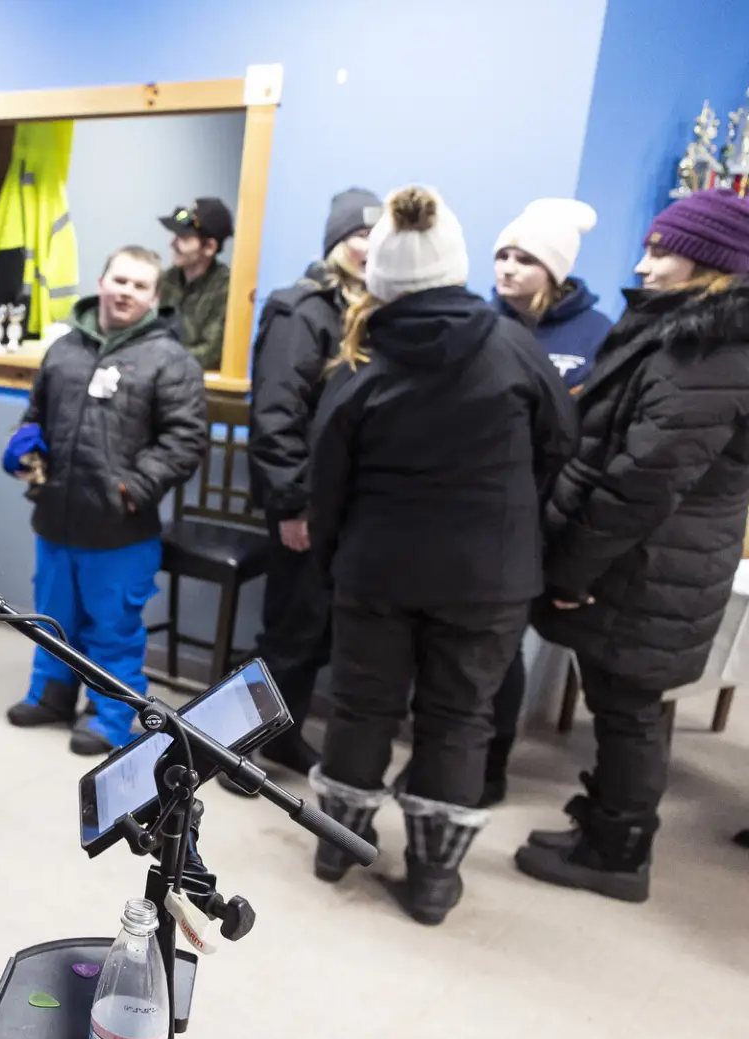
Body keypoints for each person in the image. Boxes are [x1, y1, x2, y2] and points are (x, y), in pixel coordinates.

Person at [306, 186, 576, 925]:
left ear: (383, 277)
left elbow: (325, 480)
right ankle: (430, 880)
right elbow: (562, 441)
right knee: (460, 719)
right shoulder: (513, 345)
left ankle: (338, 848)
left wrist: (334, 559)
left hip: (377, 569)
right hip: (488, 577)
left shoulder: (361, 360)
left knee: (361, 708)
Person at [516, 187, 749, 903]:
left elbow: (642, 479)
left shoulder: (709, 353)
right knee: (622, 704)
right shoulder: (690, 337)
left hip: (648, 567)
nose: (643, 267)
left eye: (660, 251)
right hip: (650, 563)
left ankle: (617, 854)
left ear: (706, 265)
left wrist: (576, 567)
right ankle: (605, 830)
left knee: (628, 709)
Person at [2, 246, 208, 755]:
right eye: (119, 280)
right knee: (52, 617)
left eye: (139, 285)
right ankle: (50, 694)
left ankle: (110, 715)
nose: (126, 292)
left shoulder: (171, 361)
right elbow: (36, 413)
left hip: (121, 527)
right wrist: (25, 444)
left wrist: (130, 490)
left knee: (113, 626)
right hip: (55, 517)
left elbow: (185, 442)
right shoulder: (64, 349)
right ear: (100, 281)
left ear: (155, 297)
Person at [240, 187, 381, 788]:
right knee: (290, 635)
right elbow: (276, 417)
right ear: (336, 242)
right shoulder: (302, 310)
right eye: (358, 236)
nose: (369, 248)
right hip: (304, 504)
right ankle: (237, 752)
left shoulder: (376, 311)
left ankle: (284, 734)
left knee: (320, 632)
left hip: (352, 510)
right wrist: (293, 506)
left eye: (380, 239)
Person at [481, 197, 615, 806]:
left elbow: (598, 435)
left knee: (512, 648)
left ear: (555, 271)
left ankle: (495, 762)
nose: (508, 269)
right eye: (502, 255)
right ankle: (467, 763)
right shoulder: (477, 321)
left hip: (548, 513)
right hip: (479, 513)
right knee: (480, 648)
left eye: (526, 259)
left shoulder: (595, 334)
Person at [157, 196, 235, 371]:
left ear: (209, 247)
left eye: (183, 237)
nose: (173, 243)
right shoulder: (165, 279)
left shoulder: (227, 289)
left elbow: (210, 352)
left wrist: (159, 361)